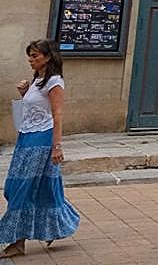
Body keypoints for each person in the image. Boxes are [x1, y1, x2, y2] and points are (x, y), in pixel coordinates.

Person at [0, 40, 80, 258]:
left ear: (48, 57)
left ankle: (17, 242)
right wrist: (25, 92)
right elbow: (34, 110)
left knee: (23, 188)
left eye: (35, 56)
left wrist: (57, 146)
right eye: (30, 56)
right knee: (29, 186)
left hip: (42, 140)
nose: (31, 60)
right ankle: (56, 226)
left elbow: (57, 115)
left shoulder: (54, 82)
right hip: (26, 138)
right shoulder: (37, 80)